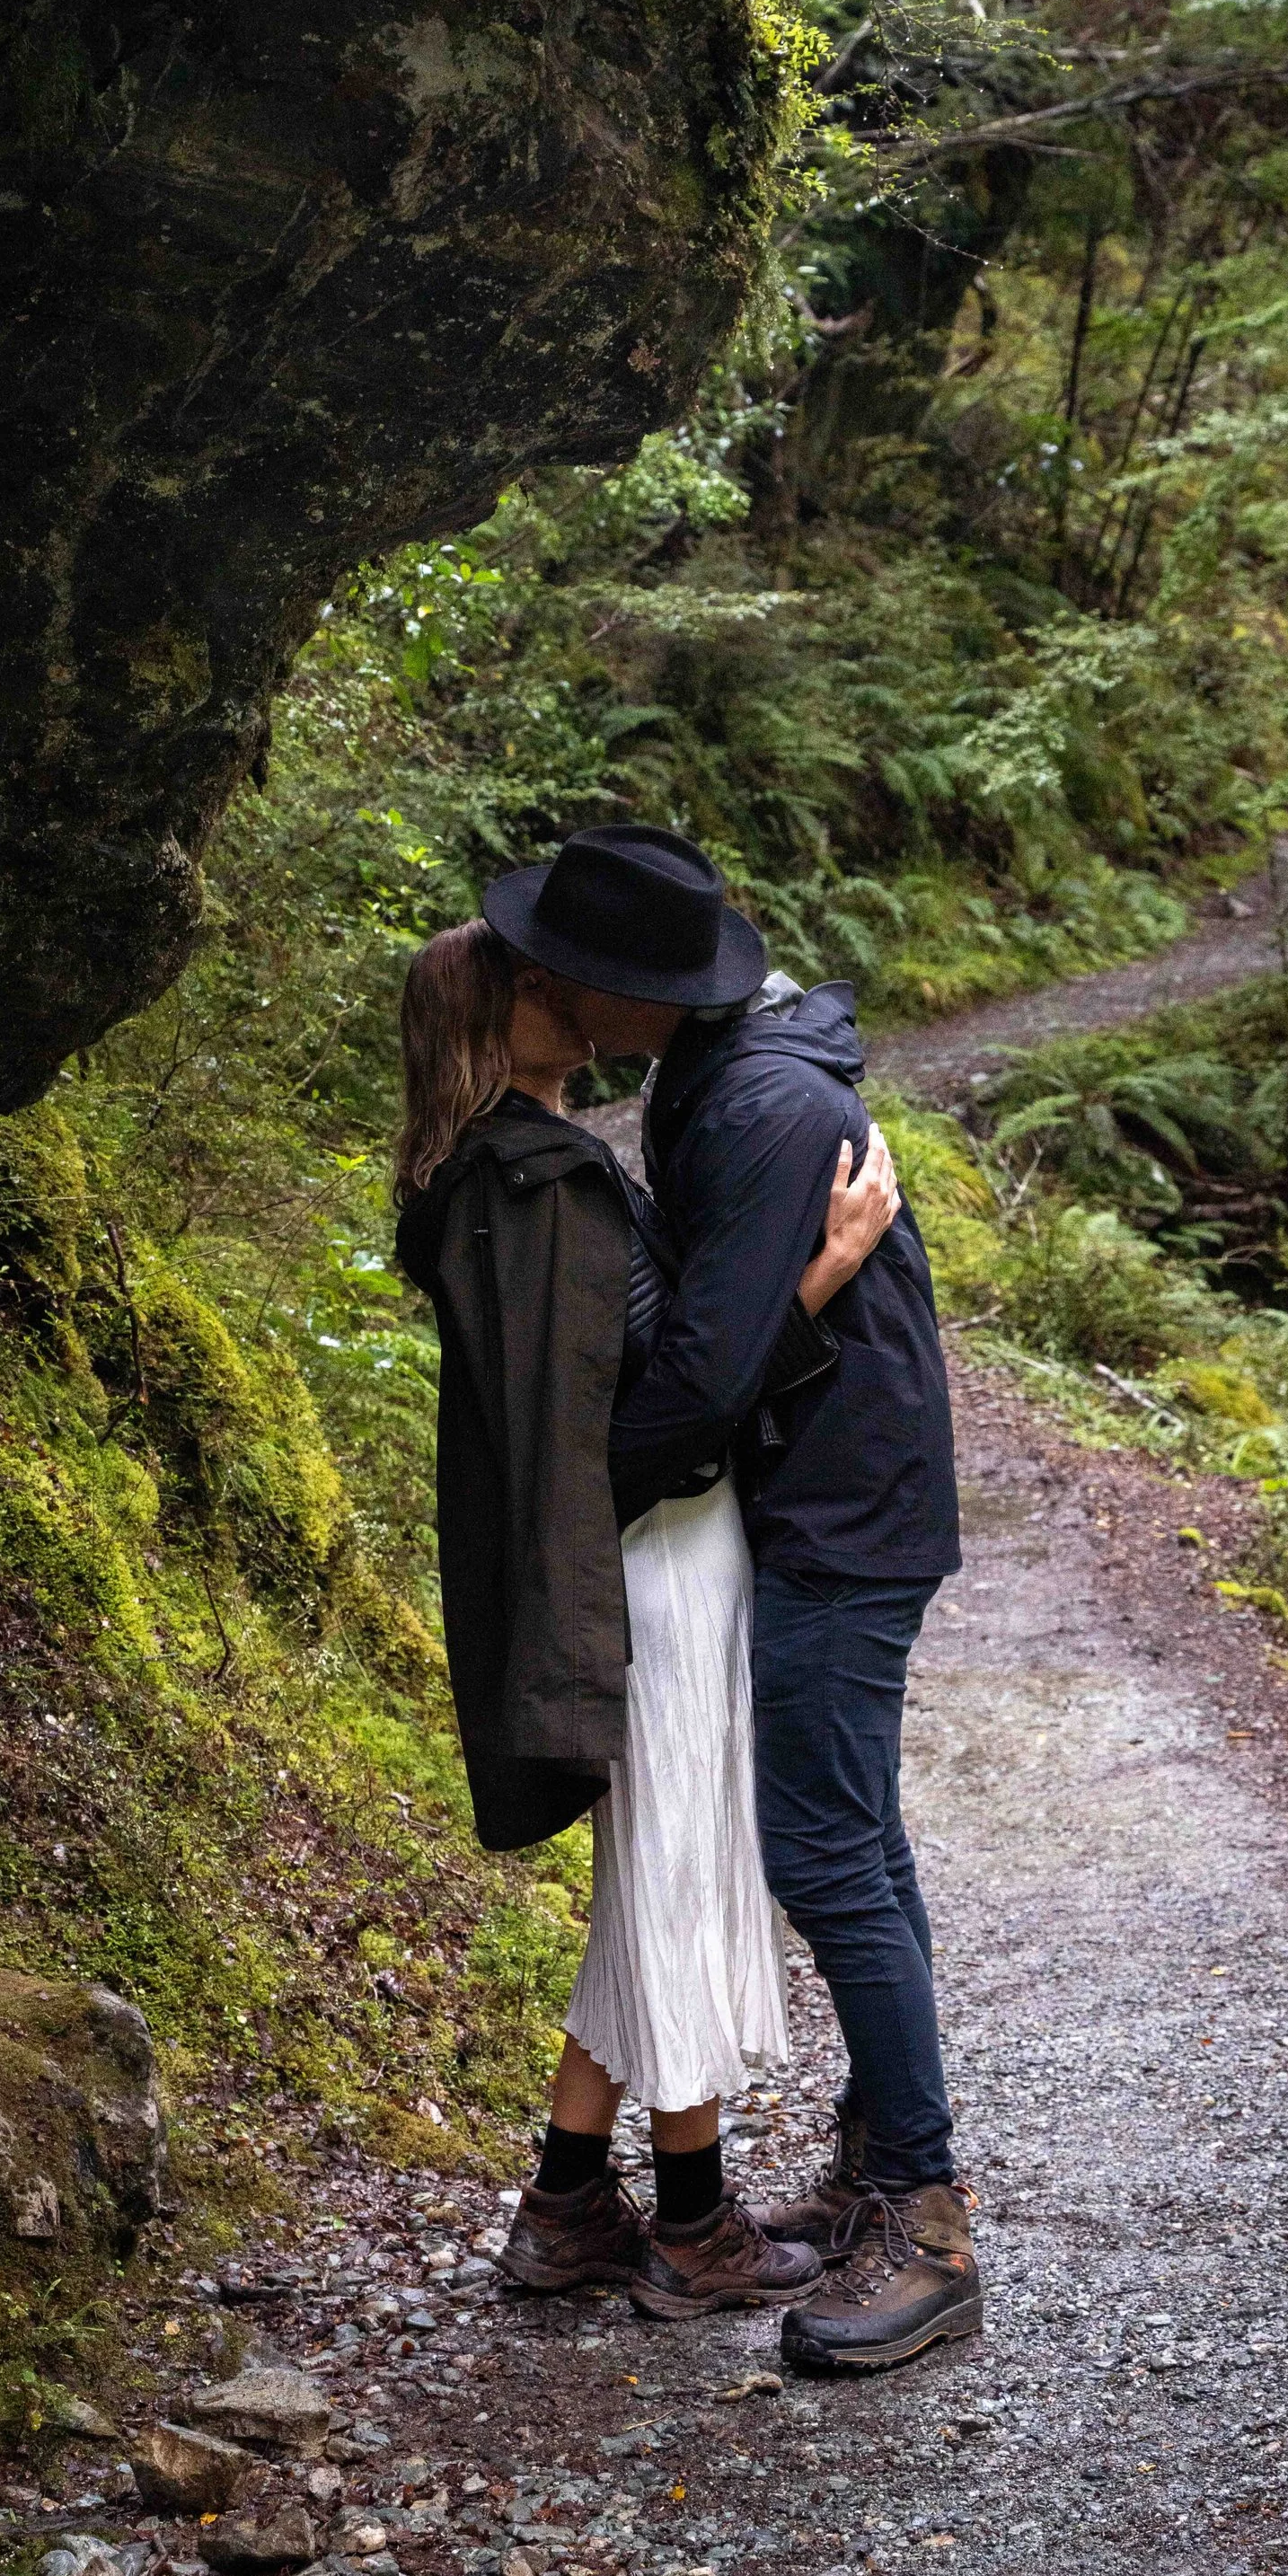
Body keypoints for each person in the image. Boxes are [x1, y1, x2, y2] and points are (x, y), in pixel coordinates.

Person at [479, 822, 977, 2375]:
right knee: (857, 1834)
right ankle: (878, 2158)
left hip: (842, 1511)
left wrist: (565, 1485)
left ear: (630, 988)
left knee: (825, 1849)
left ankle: (930, 2214)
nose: (547, 981)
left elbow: (699, 1373)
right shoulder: (703, 1080)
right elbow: (730, 1328)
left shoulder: (755, 1108)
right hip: (826, 1494)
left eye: (569, 967)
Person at [394, 915, 901, 2316]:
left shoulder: (505, 1172)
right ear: (495, 1026)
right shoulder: (538, 1185)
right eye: (535, 985)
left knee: (649, 1877)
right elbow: (629, 1425)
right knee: (673, 1868)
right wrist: (822, 1278)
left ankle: (566, 2203)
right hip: (652, 1561)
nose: (570, 990)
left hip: (652, 1553)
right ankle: (691, 2225)